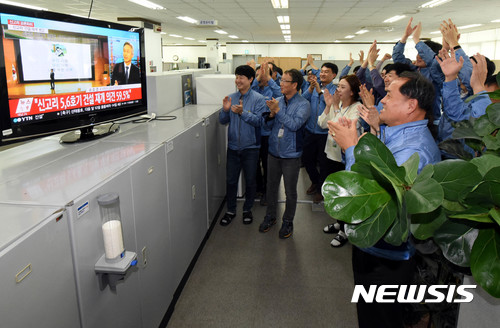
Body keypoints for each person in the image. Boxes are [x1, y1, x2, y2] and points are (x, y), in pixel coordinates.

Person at [328, 71, 441, 328]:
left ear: (411, 105)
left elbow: (373, 199)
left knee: (379, 320)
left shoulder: (414, 150)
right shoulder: (398, 135)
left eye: (390, 95)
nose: (383, 101)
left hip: (387, 257)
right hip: (379, 250)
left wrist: (351, 148)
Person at [259, 69, 310, 239]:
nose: (281, 83)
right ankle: (270, 216)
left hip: (291, 155)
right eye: (281, 81)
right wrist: (271, 115)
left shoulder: (304, 104)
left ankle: (288, 220)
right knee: (271, 187)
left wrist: (278, 112)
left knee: (290, 191)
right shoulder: (277, 100)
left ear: (294, 85)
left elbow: (294, 125)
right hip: (273, 152)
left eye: (285, 81)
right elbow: (266, 127)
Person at [219, 65, 267, 226]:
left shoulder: (259, 99)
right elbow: (222, 121)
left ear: (251, 80)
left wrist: (242, 113)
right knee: (231, 181)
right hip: (233, 147)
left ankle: (247, 210)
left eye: (241, 77)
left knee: (251, 180)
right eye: (236, 77)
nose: (238, 80)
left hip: (251, 148)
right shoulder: (231, 97)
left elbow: (260, 121)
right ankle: (230, 210)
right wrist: (226, 111)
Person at [318, 74, 362, 247]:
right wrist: (330, 105)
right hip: (331, 154)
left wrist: (334, 107)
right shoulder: (340, 106)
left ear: (352, 92)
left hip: (345, 158)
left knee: (345, 195)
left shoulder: (357, 108)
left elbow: (338, 127)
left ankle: (345, 231)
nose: (338, 90)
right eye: (338, 86)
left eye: (342, 87)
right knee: (335, 193)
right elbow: (321, 123)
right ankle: (339, 222)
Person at [301, 62, 338, 203]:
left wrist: (319, 91)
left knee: (324, 163)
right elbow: (303, 100)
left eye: (326, 72)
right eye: (321, 71)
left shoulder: (335, 90)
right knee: (307, 160)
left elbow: (331, 104)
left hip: (325, 133)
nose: (322, 74)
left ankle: (320, 189)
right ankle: (315, 181)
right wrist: (311, 89)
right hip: (310, 130)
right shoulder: (315, 87)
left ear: (333, 75)